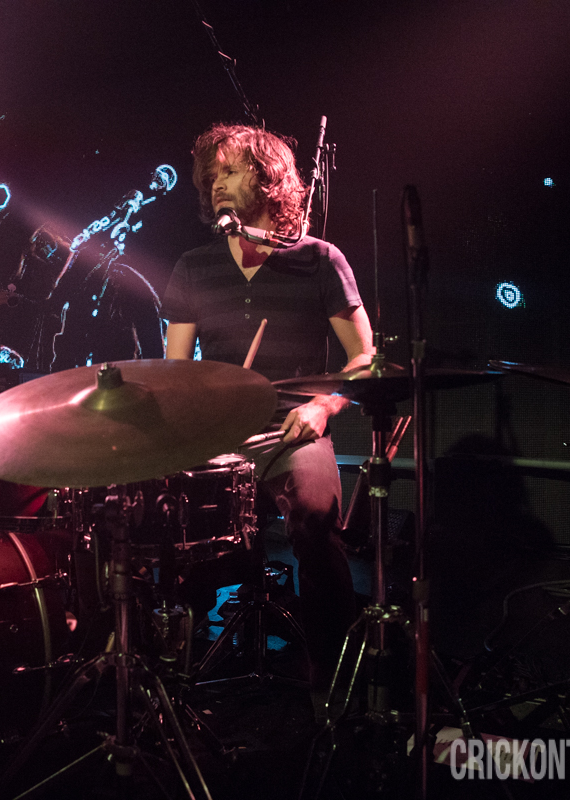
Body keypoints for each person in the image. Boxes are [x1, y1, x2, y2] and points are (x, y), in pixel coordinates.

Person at [161, 123, 375, 698]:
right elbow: (176, 371)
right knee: (168, 527)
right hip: (219, 431)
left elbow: (364, 358)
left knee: (314, 518)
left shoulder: (320, 260)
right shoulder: (194, 266)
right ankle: (177, 673)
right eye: (211, 176)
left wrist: (325, 406)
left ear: (269, 179)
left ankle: (331, 679)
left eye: (230, 171)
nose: (216, 184)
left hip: (293, 428)